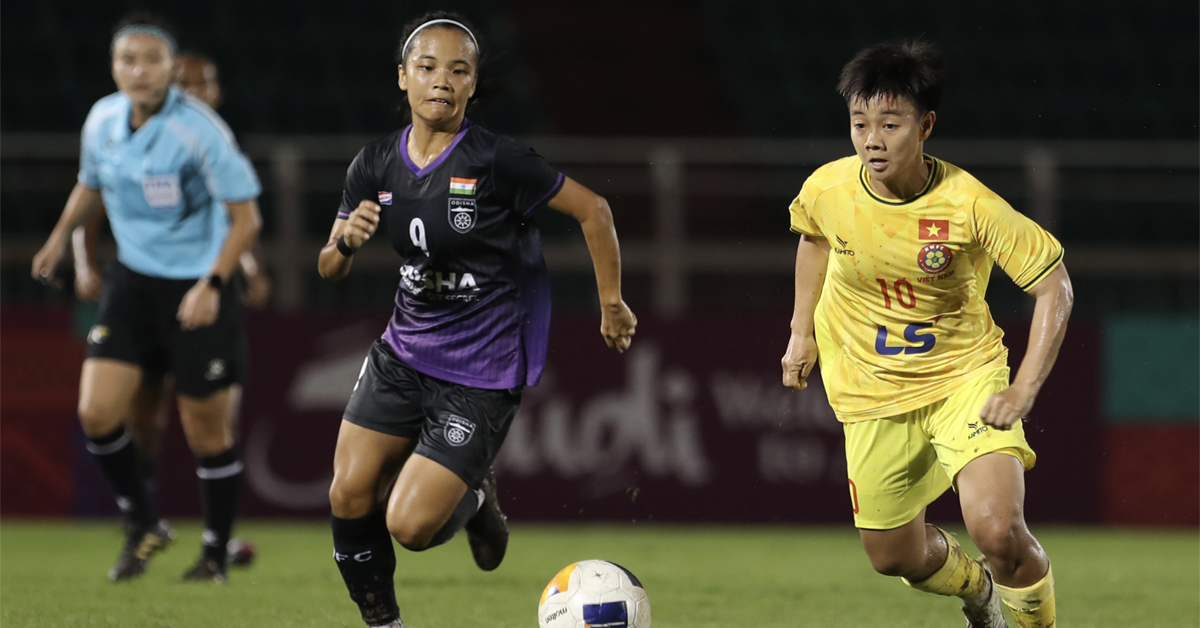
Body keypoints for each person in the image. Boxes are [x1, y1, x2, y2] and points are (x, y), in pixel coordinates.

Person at [319, 12, 637, 628]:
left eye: (458, 70)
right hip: (401, 354)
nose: (442, 80)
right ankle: (383, 622)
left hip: (480, 373)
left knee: (408, 527)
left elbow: (593, 211)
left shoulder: (498, 160)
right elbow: (329, 266)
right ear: (404, 78)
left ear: (471, 85)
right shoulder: (375, 164)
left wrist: (611, 302)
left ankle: (476, 499)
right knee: (347, 494)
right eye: (428, 67)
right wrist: (346, 246)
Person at [780, 40, 1070, 628]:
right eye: (860, 123)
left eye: (890, 124)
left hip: (963, 379)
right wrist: (800, 331)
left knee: (999, 530)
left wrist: (1024, 389)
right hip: (870, 391)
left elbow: (1054, 287)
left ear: (926, 125)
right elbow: (812, 240)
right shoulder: (828, 190)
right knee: (891, 556)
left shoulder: (968, 205)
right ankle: (981, 595)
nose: (872, 140)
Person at [32, 13, 262, 584]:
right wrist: (61, 238)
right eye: (127, 60)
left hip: (197, 286)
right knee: (97, 413)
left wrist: (213, 284)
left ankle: (214, 553)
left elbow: (247, 219)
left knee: (207, 432)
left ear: (171, 69)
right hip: (132, 282)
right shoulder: (103, 119)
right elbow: (91, 182)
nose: (138, 70)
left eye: (151, 60)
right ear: (114, 68)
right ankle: (144, 523)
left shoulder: (200, 130)